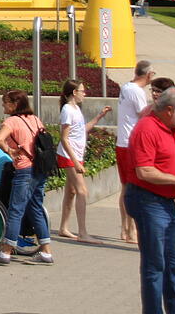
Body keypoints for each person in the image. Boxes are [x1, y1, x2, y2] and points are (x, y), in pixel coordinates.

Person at [126, 87, 175, 313]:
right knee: (155, 265)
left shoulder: (171, 127)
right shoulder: (147, 128)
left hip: (167, 201)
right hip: (148, 201)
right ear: (169, 109)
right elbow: (144, 171)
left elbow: (171, 160)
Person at [0, 90, 55, 265]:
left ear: (15, 104)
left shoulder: (12, 121)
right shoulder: (35, 119)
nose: (3, 106)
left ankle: (5, 253)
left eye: (5, 102)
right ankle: (46, 252)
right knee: (36, 207)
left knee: (15, 210)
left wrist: (10, 151)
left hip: (24, 170)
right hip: (40, 169)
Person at [141, 78, 175, 259]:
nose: (155, 94)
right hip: (155, 166)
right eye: (153, 90)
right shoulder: (148, 111)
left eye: (159, 91)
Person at [57, 79, 112, 242]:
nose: (84, 94)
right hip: (69, 156)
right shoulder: (67, 110)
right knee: (82, 191)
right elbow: (64, 138)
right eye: (82, 91)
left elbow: (82, 130)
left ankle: (63, 227)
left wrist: (99, 116)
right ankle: (82, 233)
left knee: (71, 191)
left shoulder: (76, 109)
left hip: (76, 155)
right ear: (74, 93)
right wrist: (75, 162)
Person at [119, 61, 155, 242]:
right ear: (148, 74)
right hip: (130, 144)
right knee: (133, 187)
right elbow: (144, 114)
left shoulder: (127, 87)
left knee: (126, 187)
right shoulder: (137, 91)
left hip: (123, 142)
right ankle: (130, 230)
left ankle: (126, 229)